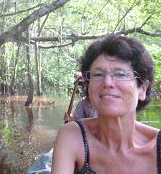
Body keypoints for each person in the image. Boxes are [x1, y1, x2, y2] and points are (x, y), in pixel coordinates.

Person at [51, 34, 159, 174]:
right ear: (88, 87)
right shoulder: (72, 135)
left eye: (120, 74)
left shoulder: (157, 148)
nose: (107, 82)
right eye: (98, 74)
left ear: (142, 89)